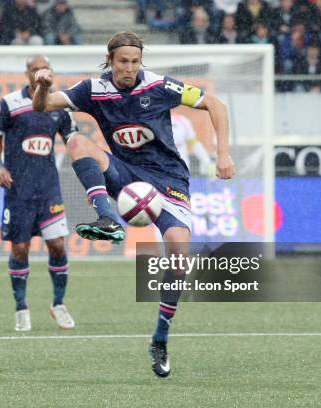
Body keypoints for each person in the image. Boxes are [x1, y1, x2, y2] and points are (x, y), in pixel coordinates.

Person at [33, 31, 235, 377]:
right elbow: (43, 105)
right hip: (125, 173)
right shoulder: (93, 90)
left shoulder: (158, 86)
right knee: (78, 142)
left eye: (134, 62)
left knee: (178, 252)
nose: (129, 68)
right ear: (109, 60)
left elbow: (216, 105)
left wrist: (224, 154)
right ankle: (108, 219)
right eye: (122, 61)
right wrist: (42, 85)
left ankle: (160, 337)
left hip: (168, 180)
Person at [0, 55, 77, 332]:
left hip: (49, 188)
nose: (40, 73)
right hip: (19, 190)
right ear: (27, 73)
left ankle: (59, 304)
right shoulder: (10, 103)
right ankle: (21, 307)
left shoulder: (60, 106)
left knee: (58, 245)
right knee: (20, 248)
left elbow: (73, 141)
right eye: (34, 69)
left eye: (44, 68)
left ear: (51, 73)